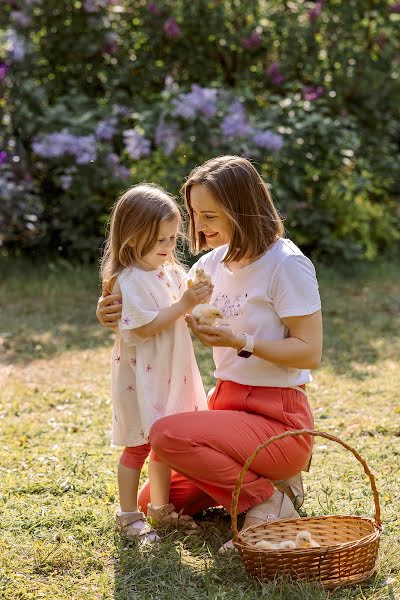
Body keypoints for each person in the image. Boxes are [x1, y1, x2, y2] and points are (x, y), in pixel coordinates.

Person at [97, 156, 322, 551]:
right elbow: (151, 303)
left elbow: (309, 353)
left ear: (241, 209)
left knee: (164, 435)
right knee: (155, 500)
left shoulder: (286, 265)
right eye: (194, 214)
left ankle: (269, 499)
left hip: (279, 418)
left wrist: (240, 342)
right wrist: (108, 310)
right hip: (227, 408)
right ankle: (267, 485)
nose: (198, 226)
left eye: (209, 214)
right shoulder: (210, 265)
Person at [100, 183, 211, 541]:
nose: (168, 247)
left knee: (165, 441)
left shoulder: (170, 273)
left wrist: (199, 308)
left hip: (171, 371)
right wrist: (183, 306)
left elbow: (183, 313)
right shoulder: (128, 280)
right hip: (144, 376)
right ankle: (129, 514)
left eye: (171, 238)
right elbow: (142, 328)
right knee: (139, 445)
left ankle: (160, 508)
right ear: (133, 239)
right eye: (160, 240)